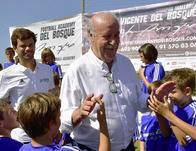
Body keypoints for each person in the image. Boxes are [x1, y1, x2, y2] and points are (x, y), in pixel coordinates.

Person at [59, 12, 175, 151]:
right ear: (91, 36)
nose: (114, 42)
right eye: (107, 36)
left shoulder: (126, 63)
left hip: (128, 147)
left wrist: (153, 98)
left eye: (117, 35)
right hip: (91, 148)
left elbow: (138, 99)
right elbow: (62, 121)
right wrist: (78, 113)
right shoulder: (76, 70)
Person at [0, 28, 55, 143]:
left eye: (31, 45)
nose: (28, 49)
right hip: (23, 137)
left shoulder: (47, 70)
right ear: (15, 48)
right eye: (23, 46)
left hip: (48, 132)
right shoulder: (5, 75)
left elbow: (52, 98)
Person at [18, 92, 111, 151]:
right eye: (59, 116)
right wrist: (103, 123)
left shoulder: (23, 148)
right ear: (51, 124)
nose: (60, 119)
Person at [149, 68, 196, 151]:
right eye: (167, 91)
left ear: (187, 91)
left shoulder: (195, 110)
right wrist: (158, 111)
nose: (169, 95)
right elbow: (166, 133)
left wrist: (169, 114)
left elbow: (184, 141)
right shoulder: (174, 107)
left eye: (173, 92)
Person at [135, 43, 165, 151]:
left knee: (153, 133)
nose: (140, 59)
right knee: (143, 133)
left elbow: (155, 89)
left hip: (152, 105)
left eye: (142, 56)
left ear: (148, 55)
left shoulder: (157, 67)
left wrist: (142, 76)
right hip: (143, 105)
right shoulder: (145, 67)